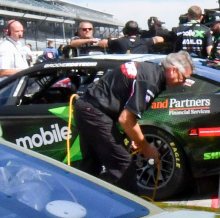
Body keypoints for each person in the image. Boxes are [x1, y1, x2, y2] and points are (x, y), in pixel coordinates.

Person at [74, 51, 194, 192]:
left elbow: (125, 112)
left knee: (91, 165)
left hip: (89, 109)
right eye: (184, 78)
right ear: (173, 70)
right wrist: (146, 147)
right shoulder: (150, 80)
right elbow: (126, 119)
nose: (184, 83)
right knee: (123, 165)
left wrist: (135, 137)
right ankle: (131, 210)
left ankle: (83, 201)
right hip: (93, 111)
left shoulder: (152, 72)